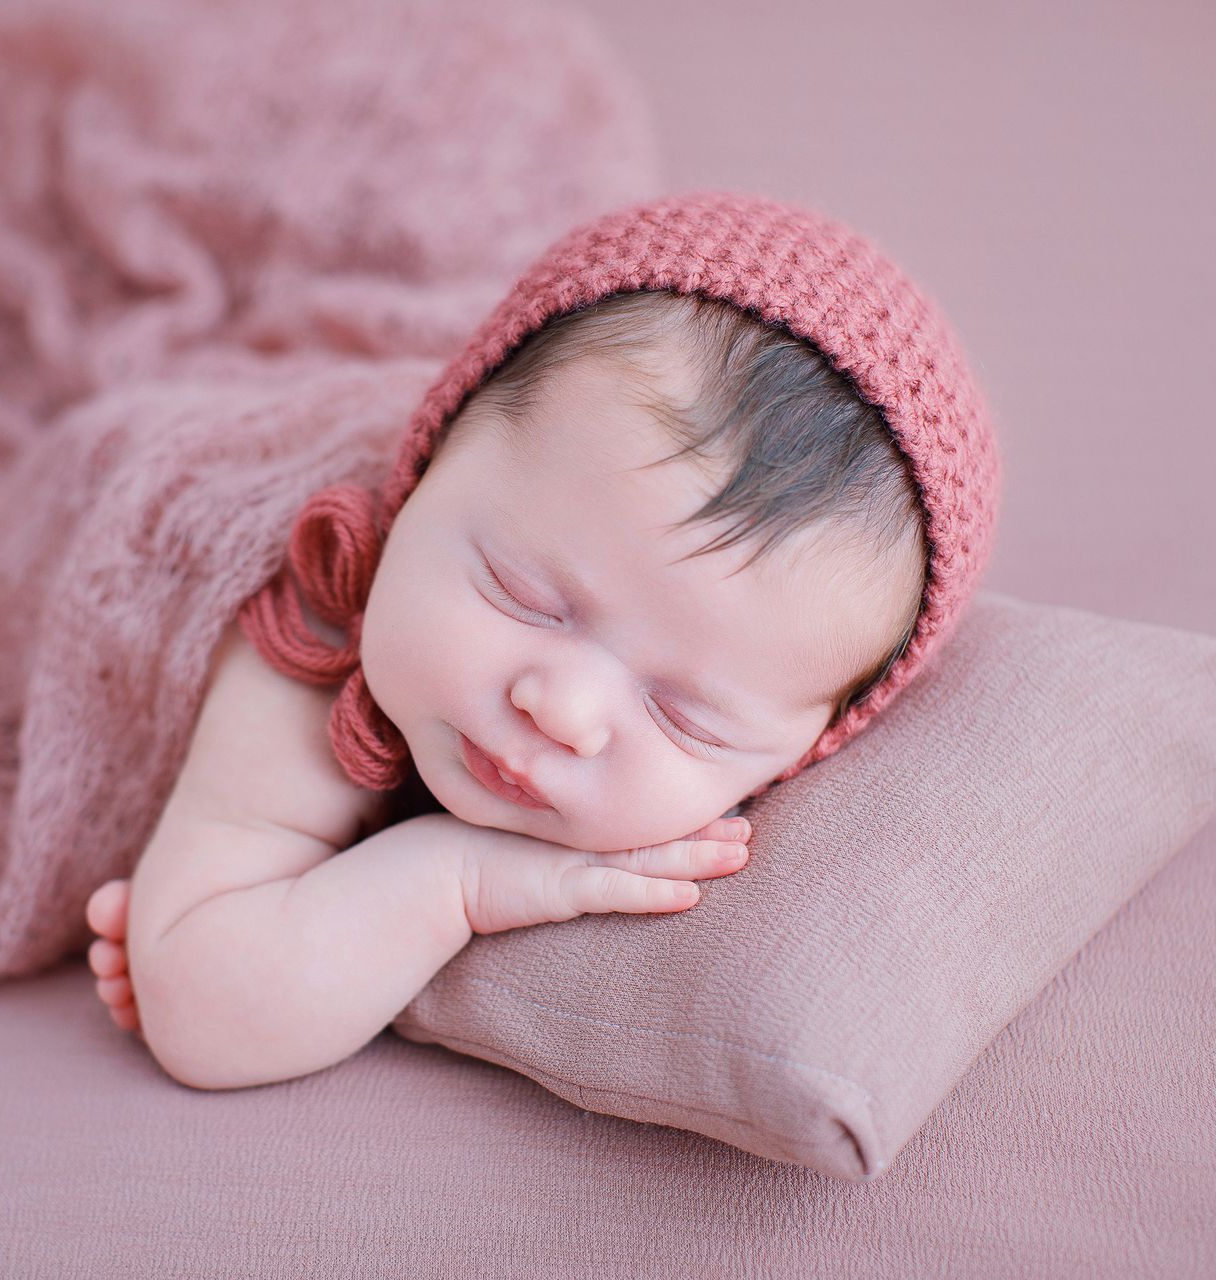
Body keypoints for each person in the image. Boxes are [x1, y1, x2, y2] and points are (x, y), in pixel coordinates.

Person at [78, 192, 1000, 1089]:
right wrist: (458, 881)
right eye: (523, 596)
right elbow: (201, 1014)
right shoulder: (317, 618)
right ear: (426, 462)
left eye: (687, 719)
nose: (562, 713)